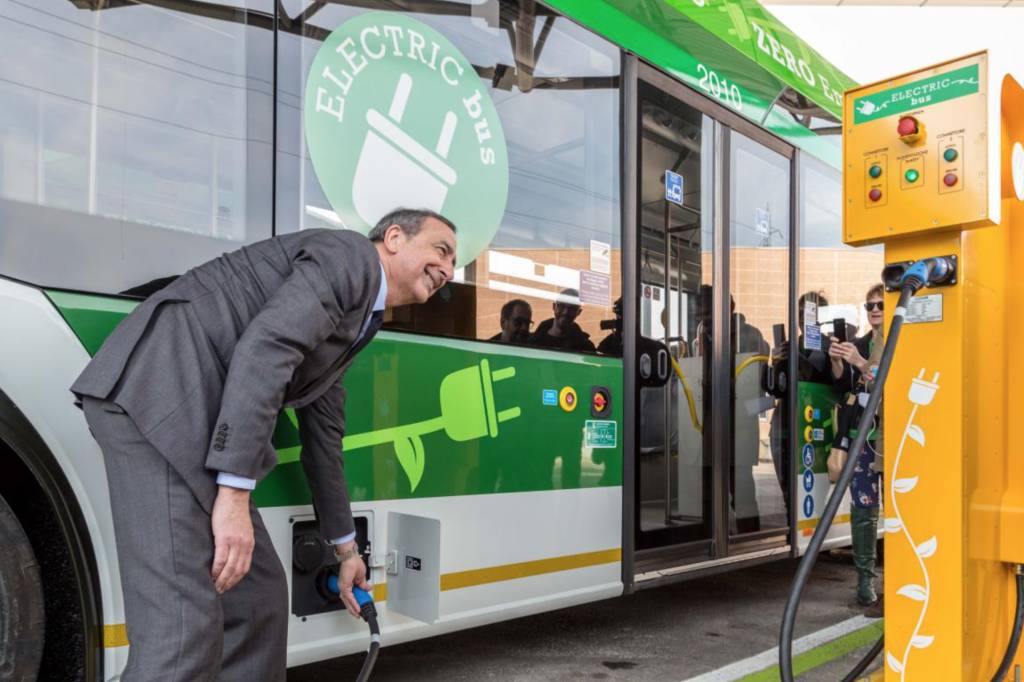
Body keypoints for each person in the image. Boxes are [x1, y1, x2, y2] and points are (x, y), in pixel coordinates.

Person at [71, 208, 457, 681]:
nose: (450, 270)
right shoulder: (350, 258)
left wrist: (346, 551)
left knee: (257, 603)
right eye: (442, 250)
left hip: (191, 427)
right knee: (182, 634)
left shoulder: (357, 315)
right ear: (394, 238)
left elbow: (323, 438)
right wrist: (234, 494)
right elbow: (267, 347)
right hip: (161, 403)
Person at [829, 283, 885, 616]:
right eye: (869, 306)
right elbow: (844, 387)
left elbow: (899, 380)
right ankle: (866, 584)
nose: (874, 310)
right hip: (864, 434)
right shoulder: (861, 343)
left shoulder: (904, 339)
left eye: (880, 304)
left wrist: (862, 363)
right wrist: (840, 363)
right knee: (863, 509)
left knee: (905, 509)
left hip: (899, 435)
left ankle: (901, 584)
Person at [529, 288, 596, 352]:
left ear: (579, 312)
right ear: (554, 306)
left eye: (572, 308)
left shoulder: (587, 348)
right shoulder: (532, 342)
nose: (565, 312)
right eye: (561, 306)